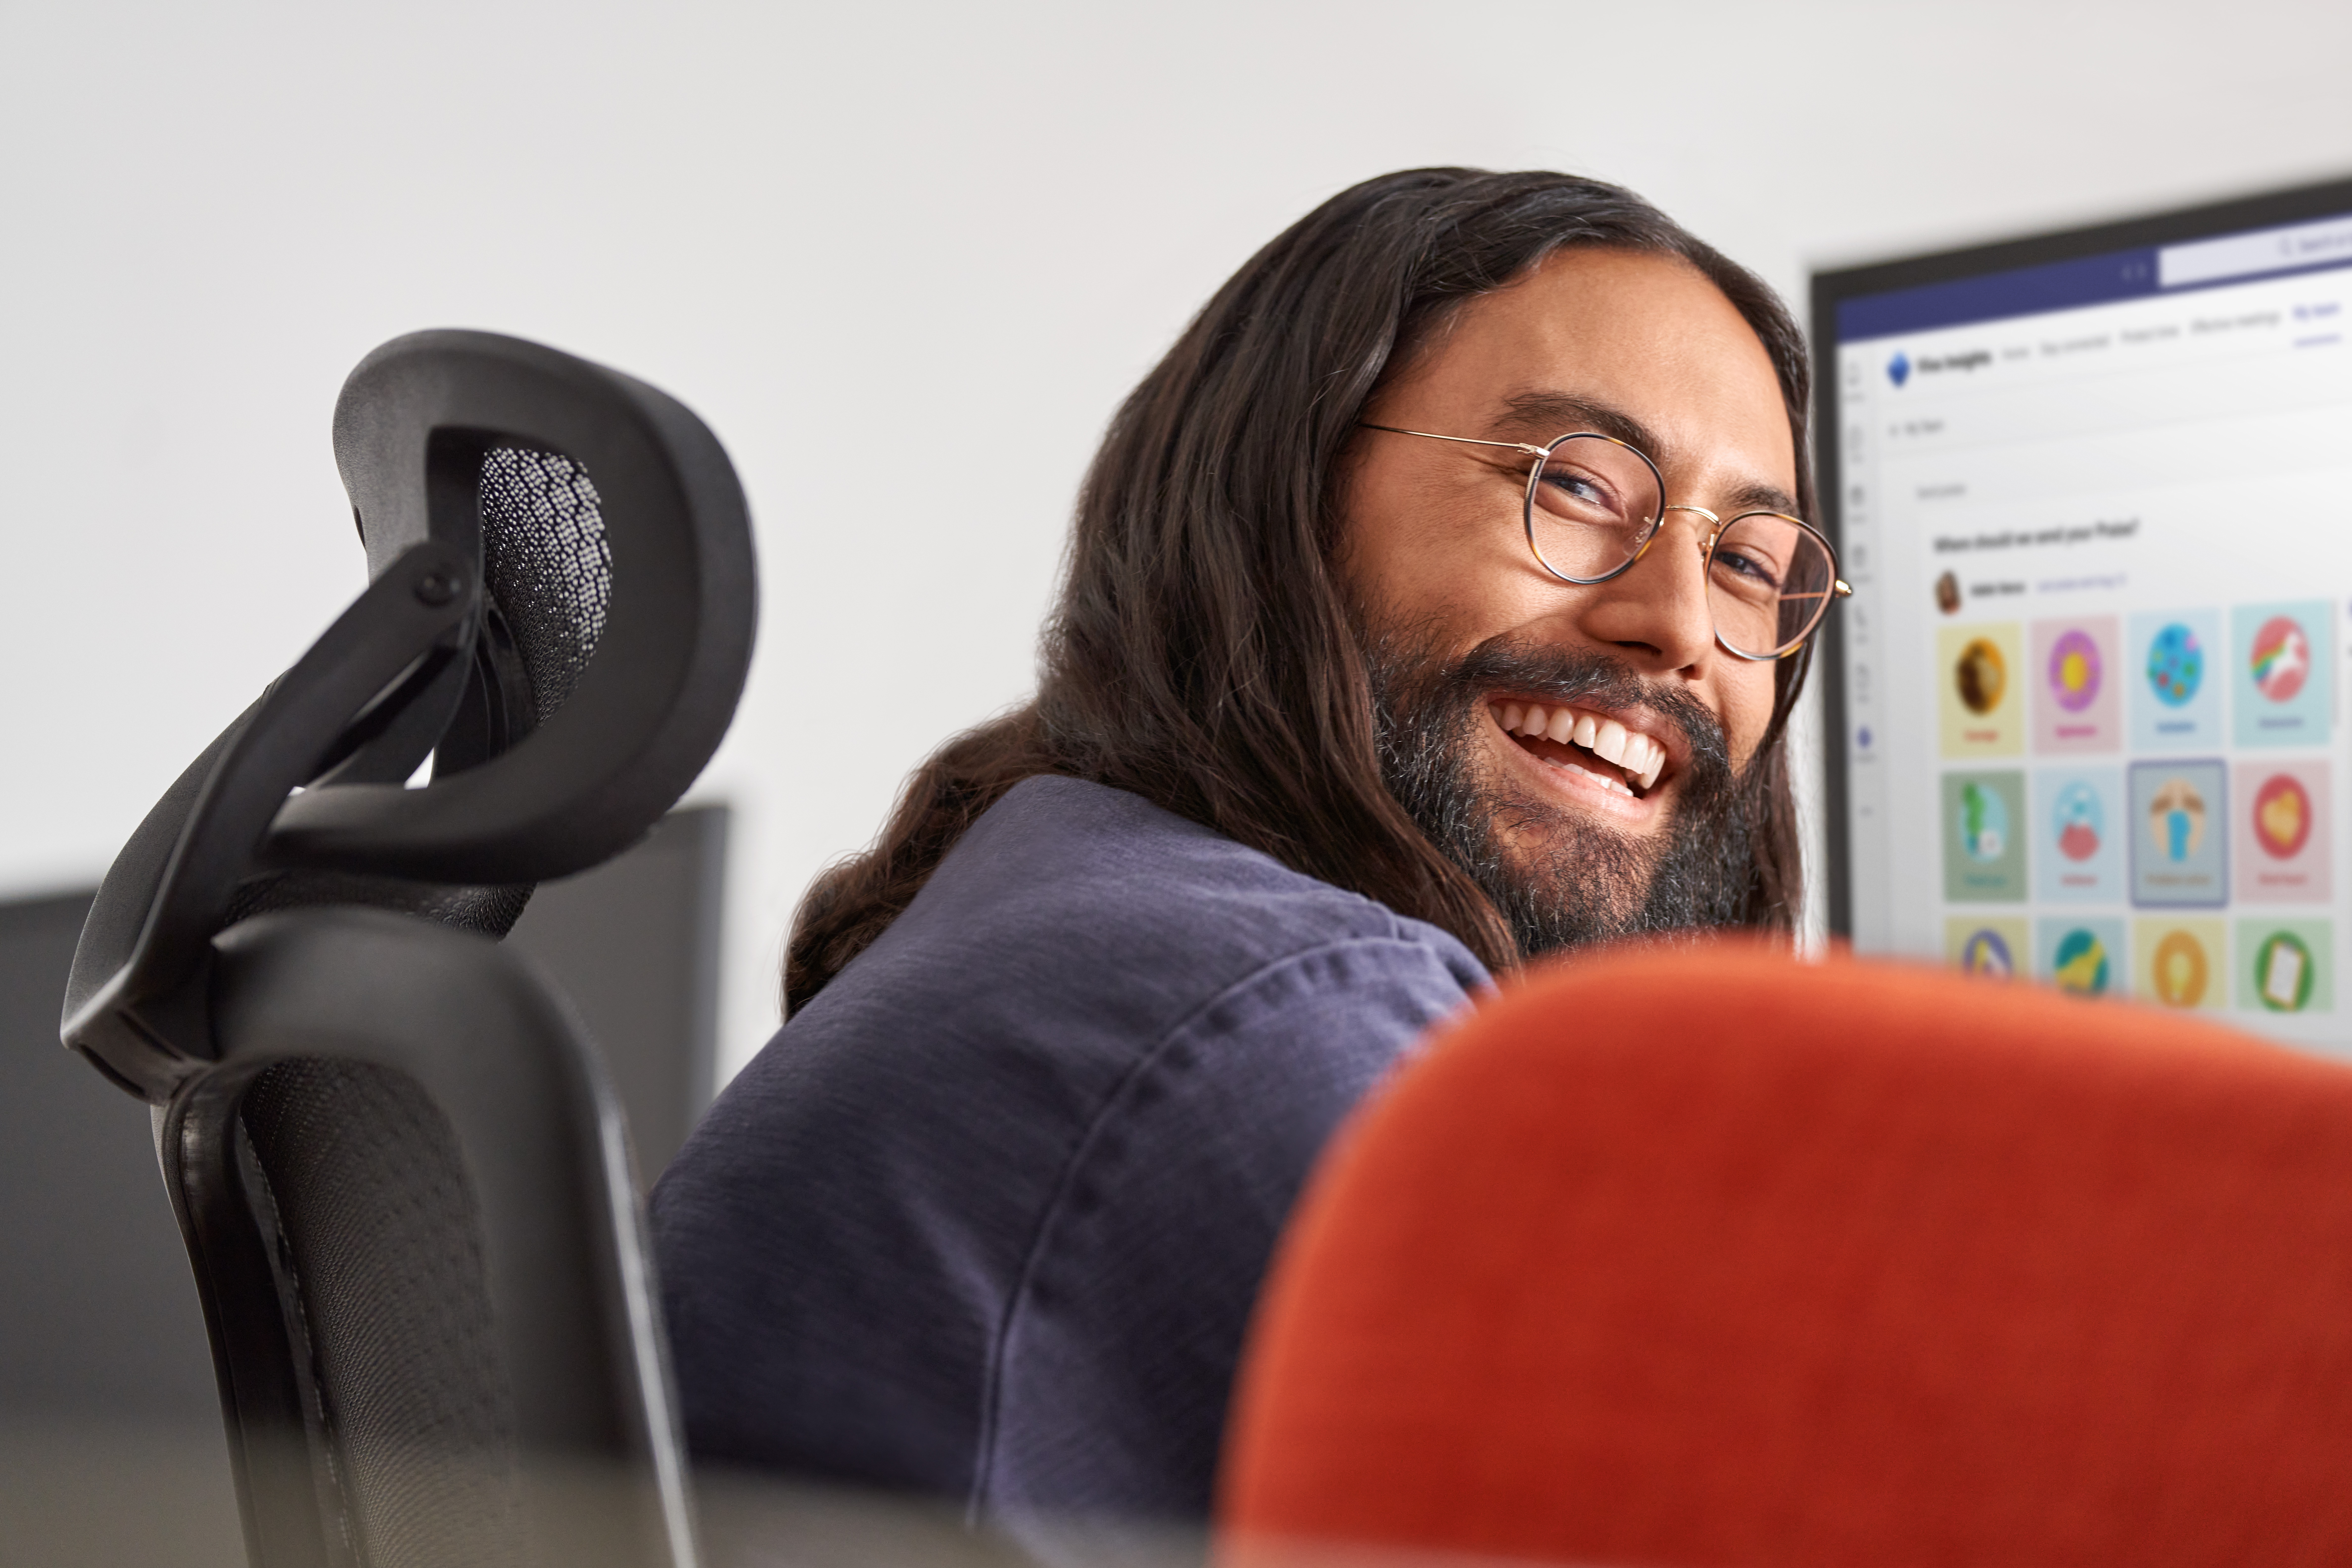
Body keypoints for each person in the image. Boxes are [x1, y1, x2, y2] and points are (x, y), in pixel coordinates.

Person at [651, 168, 1843, 1532]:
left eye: (1752, 563)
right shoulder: (1277, 1012)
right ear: (1279, 503)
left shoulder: (1090, 896)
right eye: (1575, 485)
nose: (1679, 622)